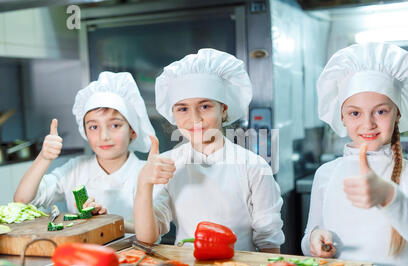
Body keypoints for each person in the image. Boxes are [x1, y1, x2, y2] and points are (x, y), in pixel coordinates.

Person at [301, 42, 408, 266]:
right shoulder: (325, 173)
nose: (368, 124)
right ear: (342, 118)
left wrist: (387, 195)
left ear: (398, 114)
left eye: (381, 111)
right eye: (355, 113)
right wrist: (314, 240)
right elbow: (308, 238)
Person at [134, 48, 285, 253]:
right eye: (183, 108)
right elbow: (147, 238)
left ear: (223, 110)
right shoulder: (168, 164)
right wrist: (144, 183)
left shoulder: (253, 167)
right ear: (173, 114)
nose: (195, 119)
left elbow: (269, 243)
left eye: (205, 106)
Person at [14, 71, 155, 233]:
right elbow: (22, 200)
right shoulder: (76, 168)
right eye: (94, 127)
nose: (104, 136)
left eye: (115, 125)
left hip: (135, 256)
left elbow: (153, 232)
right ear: (85, 132)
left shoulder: (148, 173)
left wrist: (106, 221)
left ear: (133, 131)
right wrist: (44, 157)